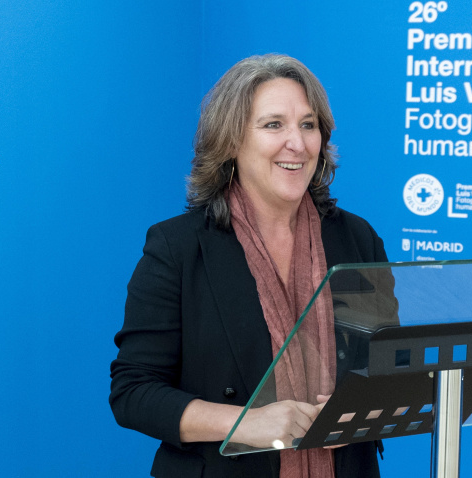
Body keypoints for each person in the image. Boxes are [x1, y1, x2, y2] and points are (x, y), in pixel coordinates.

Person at [110, 54, 387, 478]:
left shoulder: (357, 238)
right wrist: (245, 423)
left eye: (308, 124)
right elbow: (133, 393)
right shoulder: (178, 248)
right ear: (230, 142)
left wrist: (360, 408)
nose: (297, 143)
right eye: (273, 125)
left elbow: (387, 366)